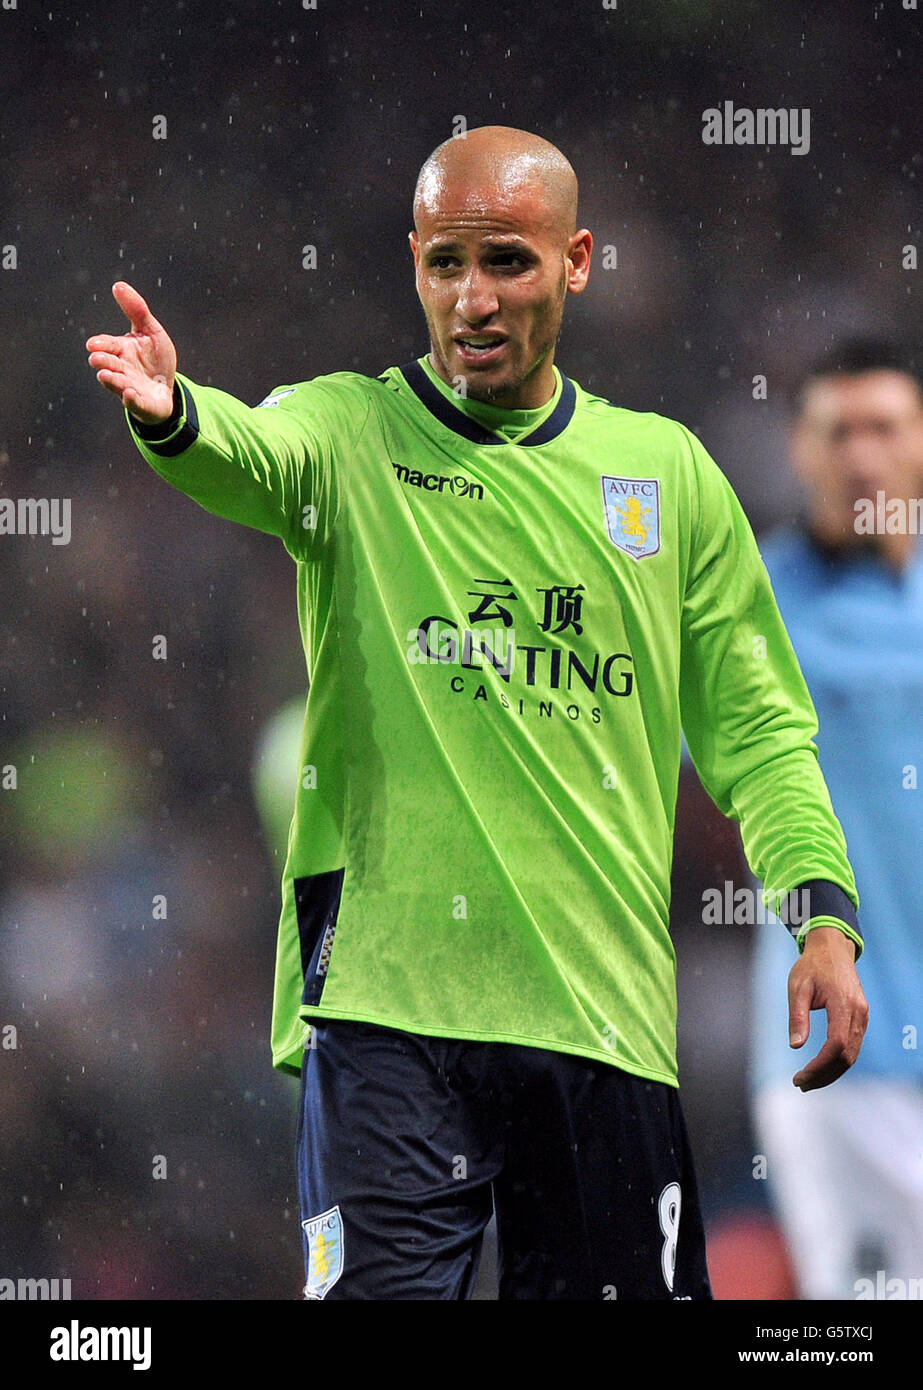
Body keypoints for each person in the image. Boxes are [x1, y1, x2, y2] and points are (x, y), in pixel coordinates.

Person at [86, 125, 868, 1301]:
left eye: (506, 260)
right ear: (412, 262)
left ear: (578, 260)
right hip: (388, 1010)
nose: (472, 298)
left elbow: (756, 725)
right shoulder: (349, 429)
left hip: (601, 1018)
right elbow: (251, 454)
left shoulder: (663, 476)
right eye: (444, 263)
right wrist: (174, 412)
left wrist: (816, 910)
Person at [750, 339, 923, 1301]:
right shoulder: (749, 605)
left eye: (884, 429)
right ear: (799, 450)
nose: (862, 457)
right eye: (837, 432)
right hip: (848, 1056)